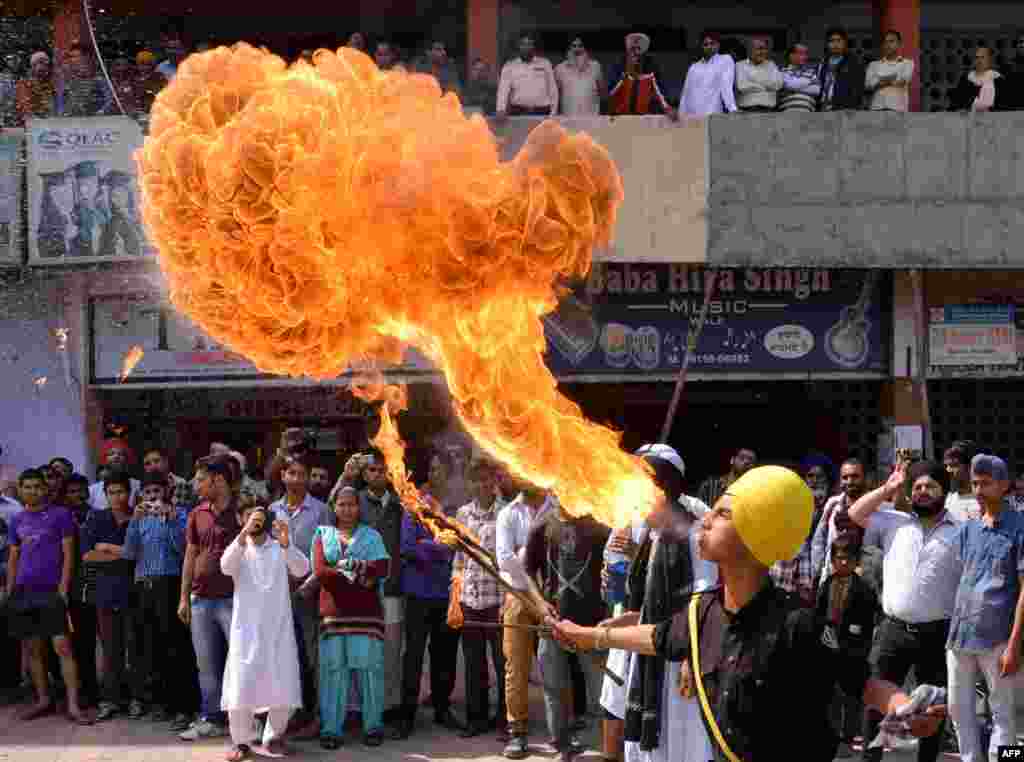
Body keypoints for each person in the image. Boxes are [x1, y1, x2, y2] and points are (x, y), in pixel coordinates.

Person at [553, 465, 947, 762]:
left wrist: (902, 707)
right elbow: (655, 637)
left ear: (754, 536)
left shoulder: (798, 623)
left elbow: (861, 682)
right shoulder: (701, 611)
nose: (705, 519)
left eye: (722, 514)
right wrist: (589, 635)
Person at [848, 458, 960, 762]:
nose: (923, 491)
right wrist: (888, 487)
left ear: (944, 492)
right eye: (918, 486)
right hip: (893, 631)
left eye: (931, 486)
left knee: (932, 707)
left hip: (937, 634)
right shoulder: (892, 521)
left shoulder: (960, 531)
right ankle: (869, 759)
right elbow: (855, 513)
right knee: (875, 700)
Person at [613, 444, 716, 762]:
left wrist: (688, 657)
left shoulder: (694, 532)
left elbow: (704, 596)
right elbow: (640, 590)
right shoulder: (650, 531)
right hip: (647, 646)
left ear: (668, 484)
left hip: (679, 657)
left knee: (679, 735)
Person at [523, 486, 611, 760]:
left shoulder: (600, 525)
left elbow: (616, 569)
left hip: (592, 626)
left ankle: (598, 749)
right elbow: (527, 571)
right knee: (553, 688)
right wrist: (539, 605)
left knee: (600, 693)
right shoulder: (542, 524)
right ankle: (560, 746)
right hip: (552, 623)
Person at [946, 454, 1024, 762]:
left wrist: (1015, 645)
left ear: (1004, 486)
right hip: (960, 634)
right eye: (975, 483)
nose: (979, 489)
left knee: (1006, 714)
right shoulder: (969, 529)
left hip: (998, 637)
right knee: (958, 708)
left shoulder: (1019, 527)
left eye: (986, 483)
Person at [220, 504, 308, 761]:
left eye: (259, 519)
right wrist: (243, 534)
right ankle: (241, 742)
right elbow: (225, 566)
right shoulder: (239, 547)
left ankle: (273, 737)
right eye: (250, 518)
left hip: (278, 628)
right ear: (243, 520)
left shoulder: (278, 547)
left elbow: (302, 569)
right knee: (241, 685)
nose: (255, 523)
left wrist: (287, 544)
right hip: (245, 630)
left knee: (283, 682)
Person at [4, 468, 88, 724]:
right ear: (20, 490)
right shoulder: (17, 519)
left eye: (37, 486)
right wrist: (10, 591)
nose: (32, 491)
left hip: (52, 591)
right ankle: (42, 700)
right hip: (23, 592)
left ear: (45, 489)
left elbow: (69, 555)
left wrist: (63, 588)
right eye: (27, 487)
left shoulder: (60, 515)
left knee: (62, 647)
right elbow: (13, 557)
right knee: (32, 649)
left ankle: (73, 705)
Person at [313, 486, 391, 749]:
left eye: (352, 504)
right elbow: (321, 572)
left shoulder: (373, 536)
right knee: (334, 670)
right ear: (334, 507)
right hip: (333, 615)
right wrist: (359, 574)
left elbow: (383, 567)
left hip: (367, 615)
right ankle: (331, 729)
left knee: (370, 670)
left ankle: (373, 727)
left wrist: (352, 566)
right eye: (342, 504)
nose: (347, 509)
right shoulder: (322, 535)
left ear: (359, 507)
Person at [395, 466, 461, 738]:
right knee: (413, 656)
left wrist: (431, 544)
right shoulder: (414, 505)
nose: (438, 473)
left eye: (442, 468)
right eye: (433, 468)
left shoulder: (454, 507)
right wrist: (440, 546)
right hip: (417, 593)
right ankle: (407, 715)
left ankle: (442, 708)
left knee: (444, 655)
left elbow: (458, 543)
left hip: (446, 593)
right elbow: (408, 547)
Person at [121, 471, 192, 725]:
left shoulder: (180, 514)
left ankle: (181, 705)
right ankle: (160, 702)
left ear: (167, 493)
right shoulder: (138, 519)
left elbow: (184, 550)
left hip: (170, 584)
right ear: (141, 495)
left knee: (175, 645)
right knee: (150, 646)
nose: (152, 497)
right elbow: (129, 554)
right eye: (148, 493)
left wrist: (171, 521)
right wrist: (133, 522)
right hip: (144, 586)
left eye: (157, 492)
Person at [178, 455, 241, 741]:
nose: (196, 485)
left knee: (239, 661)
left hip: (234, 600)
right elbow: (190, 555)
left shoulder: (244, 511)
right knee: (206, 663)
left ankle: (242, 720)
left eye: (201, 479)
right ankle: (211, 718)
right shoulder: (197, 513)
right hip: (200, 600)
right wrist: (183, 597)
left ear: (218, 480)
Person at [269, 455, 330, 736]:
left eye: (301, 474)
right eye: (290, 473)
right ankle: (292, 715)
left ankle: (320, 717)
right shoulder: (271, 510)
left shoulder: (321, 511)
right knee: (287, 657)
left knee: (314, 656)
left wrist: (311, 583)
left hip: (310, 592)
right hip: (279, 596)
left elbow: (328, 552)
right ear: (283, 476)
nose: (295, 478)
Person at [451, 458, 508, 739]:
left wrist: (510, 599)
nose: (483, 485)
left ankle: (505, 722)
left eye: (488, 479)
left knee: (502, 663)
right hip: (470, 599)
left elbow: (512, 562)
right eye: (477, 480)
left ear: (494, 483)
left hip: (498, 601)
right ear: (470, 484)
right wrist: (455, 597)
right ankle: (476, 719)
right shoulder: (463, 514)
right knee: (474, 665)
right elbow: (459, 558)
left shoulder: (506, 513)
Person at [81, 470, 140, 721]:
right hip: (105, 591)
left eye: (121, 491)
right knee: (109, 649)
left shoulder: (137, 517)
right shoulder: (97, 518)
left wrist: (107, 548)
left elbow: (139, 554)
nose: (117, 496)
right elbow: (87, 556)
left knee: (135, 647)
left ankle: (137, 698)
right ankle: (110, 700)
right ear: (105, 494)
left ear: (129, 493)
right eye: (112, 492)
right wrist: (122, 553)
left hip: (133, 591)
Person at [816, 532, 878, 758]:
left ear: (856, 561)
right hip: (828, 647)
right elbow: (818, 614)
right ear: (832, 560)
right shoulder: (826, 584)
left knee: (852, 697)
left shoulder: (864, 589)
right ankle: (831, 736)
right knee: (829, 694)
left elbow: (869, 620)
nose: (843, 562)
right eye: (839, 558)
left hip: (853, 650)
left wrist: (860, 645)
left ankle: (848, 737)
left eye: (848, 558)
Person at [608, 32, 675, 118]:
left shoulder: (651, 67)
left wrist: (668, 108)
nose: (635, 52)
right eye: (632, 48)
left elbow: (660, 92)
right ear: (628, 50)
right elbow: (610, 93)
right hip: (620, 117)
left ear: (643, 51)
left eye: (638, 48)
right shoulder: (619, 66)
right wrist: (626, 74)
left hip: (643, 117)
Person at [817, 28, 865, 111]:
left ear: (845, 43)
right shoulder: (822, 63)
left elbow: (858, 87)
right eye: (832, 41)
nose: (835, 44)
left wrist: (852, 106)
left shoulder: (854, 62)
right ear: (827, 44)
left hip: (845, 109)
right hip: (823, 108)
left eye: (839, 40)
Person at [865, 30, 914, 112]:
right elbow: (868, 86)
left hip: (898, 110)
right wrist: (892, 78)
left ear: (899, 44)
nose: (888, 45)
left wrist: (879, 80)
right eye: (885, 42)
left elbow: (902, 81)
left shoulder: (908, 63)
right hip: (877, 108)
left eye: (891, 41)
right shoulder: (873, 65)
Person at [555, 37, 604, 116]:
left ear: (585, 49)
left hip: (591, 116)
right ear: (568, 49)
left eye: (580, 46)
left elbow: (602, 92)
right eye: (574, 46)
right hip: (569, 116)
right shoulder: (559, 68)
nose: (577, 49)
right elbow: (555, 96)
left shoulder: (595, 66)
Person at [949, 47, 1004, 112]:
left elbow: (1004, 105)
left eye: (983, 57)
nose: (979, 61)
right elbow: (957, 103)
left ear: (989, 60)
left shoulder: (998, 79)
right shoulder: (966, 79)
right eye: (977, 58)